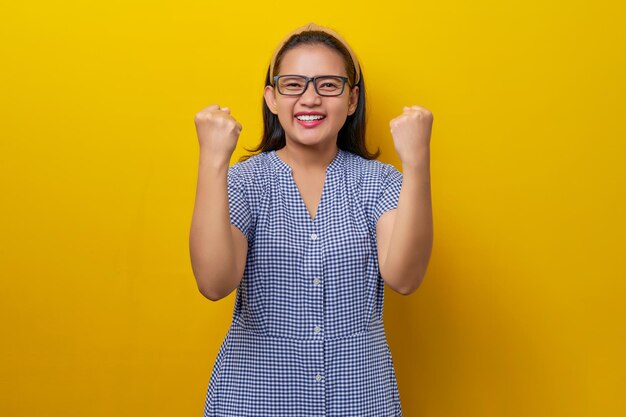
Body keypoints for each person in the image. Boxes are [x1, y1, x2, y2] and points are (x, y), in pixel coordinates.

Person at [189, 22, 434, 417]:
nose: (310, 99)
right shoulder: (243, 182)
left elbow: (404, 277)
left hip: (361, 402)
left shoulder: (380, 182)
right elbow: (214, 283)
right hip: (253, 402)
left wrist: (418, 162)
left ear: (352, 100)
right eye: (293, 85)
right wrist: (212, 160)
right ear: (271, 97)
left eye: (328, 85)